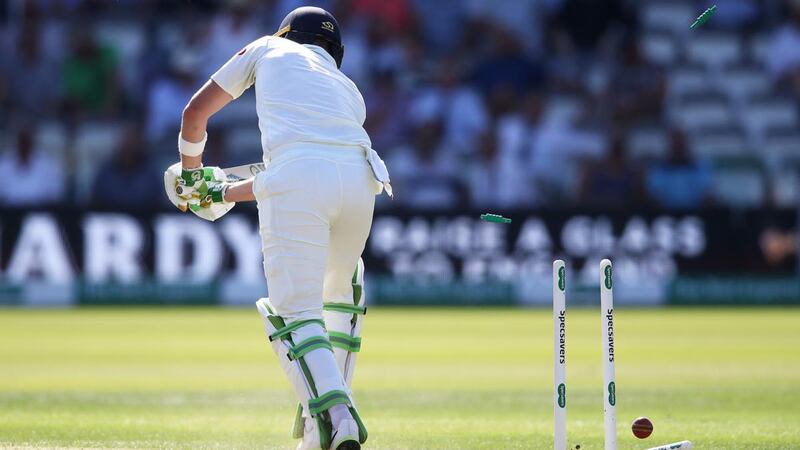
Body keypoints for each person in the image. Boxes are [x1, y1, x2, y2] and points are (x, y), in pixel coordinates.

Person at [169, 7, 390, 450]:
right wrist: (224, 192)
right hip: (365, 181)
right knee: (342, 293)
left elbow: (196, 113)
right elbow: (300, 174)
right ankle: (314, 433)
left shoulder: (269, 48)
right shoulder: (348, 90)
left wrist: (193, 176)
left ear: (286, 34)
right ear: (336, 52)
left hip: (302, 181)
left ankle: (339, 417)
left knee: (295, 313)